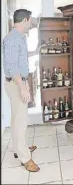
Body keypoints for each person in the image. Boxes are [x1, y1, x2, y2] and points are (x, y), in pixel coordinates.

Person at [3, 9, 42, 172]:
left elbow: (20, 59)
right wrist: (23, 87)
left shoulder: (19, 37)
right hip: (16, 83)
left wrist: (36, 51)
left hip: (17, 82)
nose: (31, 23)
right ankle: (25, 158)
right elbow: (12, 68)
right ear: (25, 20)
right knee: (20, 122)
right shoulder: (13, 39)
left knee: (16, 120)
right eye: (30, 21)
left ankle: (19, 148)